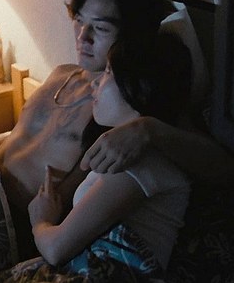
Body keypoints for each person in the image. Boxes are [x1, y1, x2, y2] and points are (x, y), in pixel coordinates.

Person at [0, 0, 234, 277]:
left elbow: (227, 171)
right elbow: (24, 135)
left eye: (100, 28)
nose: (82, 37)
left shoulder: (131, 106)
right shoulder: (64, 73)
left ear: (134, 35)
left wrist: (149, 131)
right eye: (78, 20)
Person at [21, 35, 192, 281]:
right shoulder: (128, 155)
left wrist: (41, 221)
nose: (95, 82)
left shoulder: (137, 166)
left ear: (139, 87)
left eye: (109, 73)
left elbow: (56, 249)